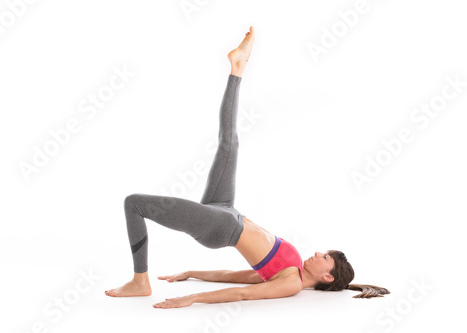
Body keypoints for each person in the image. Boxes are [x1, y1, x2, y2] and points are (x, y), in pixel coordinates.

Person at [105, 26, 390, 309]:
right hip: (226, 208)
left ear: (327, 276)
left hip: (219, 226)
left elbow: (243, 295)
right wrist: (194, 273)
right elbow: (233, 277)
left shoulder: (290, 282)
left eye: (324, 257)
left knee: (134, 204)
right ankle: (237, 68)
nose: (318, 252)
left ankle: (140, 281)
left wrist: (193, 298)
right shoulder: (293, 269)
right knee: (229, 143)